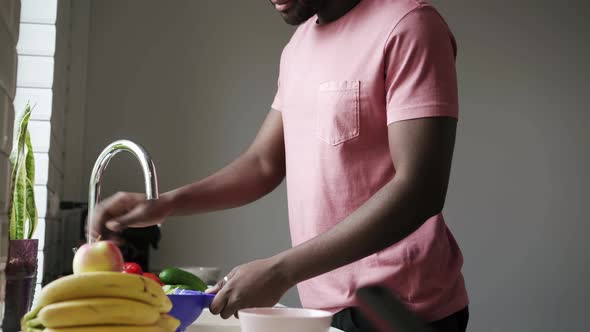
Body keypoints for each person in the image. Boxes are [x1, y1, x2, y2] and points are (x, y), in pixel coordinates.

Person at [89, 0, 469, 331]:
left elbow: (420, 189)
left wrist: (280, 272)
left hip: (402, 311)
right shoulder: (298, 46)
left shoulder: (410, 26)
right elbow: (263, 163)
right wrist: (164, 204)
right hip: (322, 308)